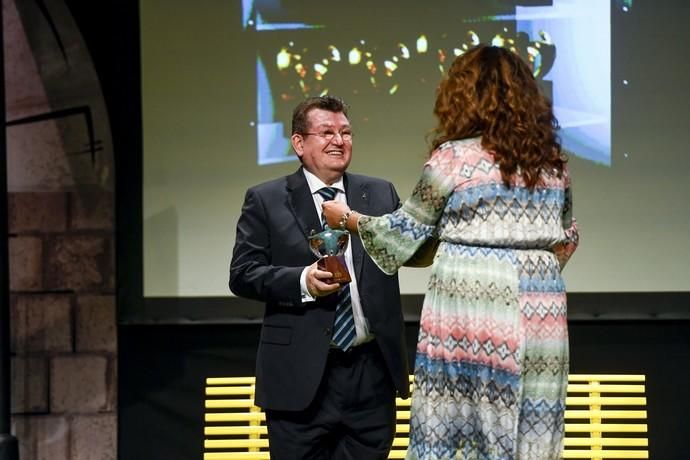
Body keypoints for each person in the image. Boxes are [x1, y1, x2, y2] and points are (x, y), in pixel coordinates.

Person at [323, 45, 579, 460]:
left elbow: (404, 231)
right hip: (542, 308)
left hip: (472, 302)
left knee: (462, 419)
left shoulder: (455, 157)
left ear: (463, 95)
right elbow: (565, 237)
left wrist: (348, 218)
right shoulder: (551, 163)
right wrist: (530, 271)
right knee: (534, 417)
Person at [229, 95, 410, 459]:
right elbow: (243, 274)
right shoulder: (266, 199)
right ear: (299, 143)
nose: (339, 141)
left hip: (370, 373)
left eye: (345, 132)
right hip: (300, 375)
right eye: (326, 132)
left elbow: (408, 249)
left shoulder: (378, 193)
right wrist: (302, 282)